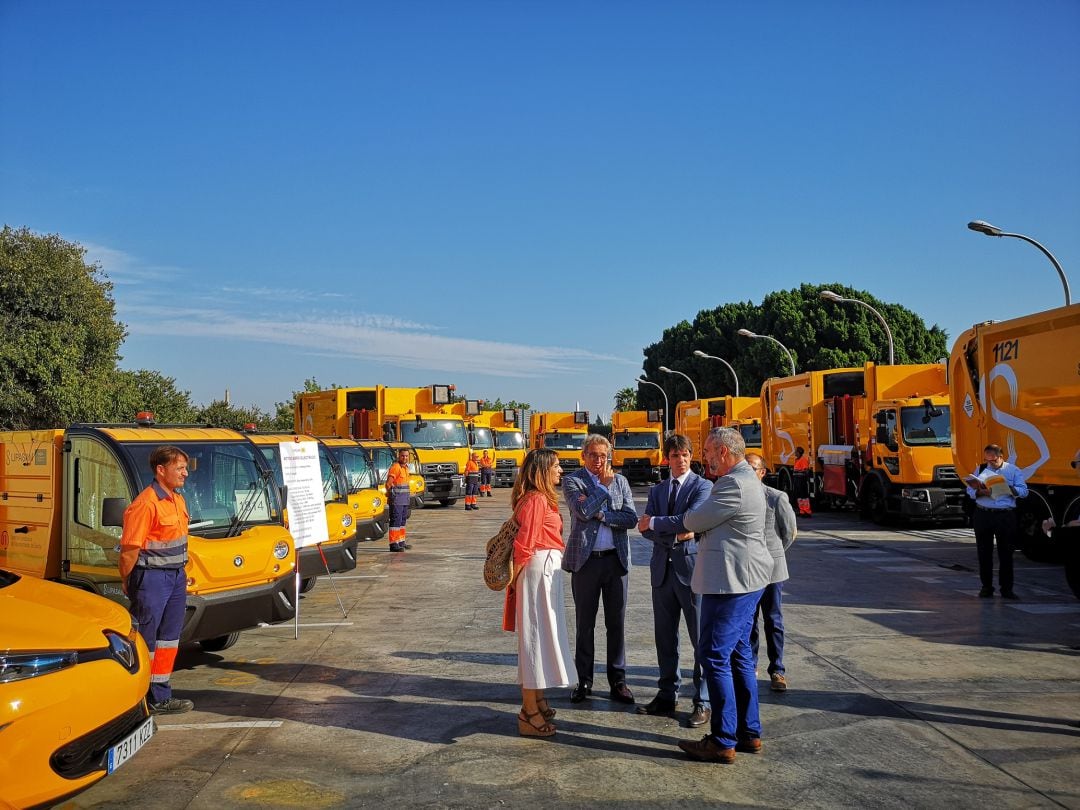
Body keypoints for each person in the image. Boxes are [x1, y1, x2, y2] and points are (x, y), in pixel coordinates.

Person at [665, 427, 772, 763]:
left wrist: (697, 522)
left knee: (713, 655)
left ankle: (723, 738)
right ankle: (748, 732)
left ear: (724, 452)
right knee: (739, 654)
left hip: (731, 583)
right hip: (741, 579)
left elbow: (694, 519)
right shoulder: (745, 480)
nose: (705, 457)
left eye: (709, 451)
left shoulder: (732, 483)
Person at [635, 434, 713, 727]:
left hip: (692, 572)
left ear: (690, 456)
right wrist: (673, 530)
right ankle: (667, 694)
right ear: (666, 458)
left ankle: (702, 701)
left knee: (700, 639)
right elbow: (645, 529)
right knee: (665, 639)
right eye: (674, 455)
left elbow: (691, 520)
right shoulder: (657, 490)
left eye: (684, 455)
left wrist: (657, 524)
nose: (679, 460)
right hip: (662, 572)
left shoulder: (703, 487)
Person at [561, 434, 639, 705]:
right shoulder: (573, 481)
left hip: (615, 561)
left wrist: (603, 514)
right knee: (585, 624)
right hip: (586, 562)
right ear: (584, 456)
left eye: (603, 455)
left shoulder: (622, 481)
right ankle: (584, 680)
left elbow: (630, 518)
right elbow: (581, 511)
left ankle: (618, 680)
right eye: (593, 455)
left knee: (616, 623)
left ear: (610, 456)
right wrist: (602, 490)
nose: (598, 460)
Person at [119, 445, 195, 715]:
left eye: (186, 468)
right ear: (161, 470)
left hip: (175, 578)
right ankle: (136, 697)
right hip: (151, 579)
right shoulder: (145, 503)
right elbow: (129, 550)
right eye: (180, 468)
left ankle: (159, 696)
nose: (185, 473)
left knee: (168, 640)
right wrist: (128, 580)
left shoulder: (177, 499)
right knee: (145, 640)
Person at [503, 449, 574, 737]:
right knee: (534, 638)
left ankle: (538, 699)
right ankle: (528, 711)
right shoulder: (535, 500)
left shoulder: (539, 499)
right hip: (536, 572)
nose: (561, 471)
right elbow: (523, 546)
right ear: (543, 470)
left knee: (541, 636)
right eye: (556, 466)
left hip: (544, 571)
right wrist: (515, 583)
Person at [745, 453, 797, 692]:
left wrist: (772, 555)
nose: (748, 472)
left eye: (753, 468)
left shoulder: (776, 498)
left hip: (772, 572)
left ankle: (777, 669)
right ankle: (750, 666)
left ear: (762, 472)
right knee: (749, 622)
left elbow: (789, 533)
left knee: (773, 620)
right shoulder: (740, 497)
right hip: (747, 572)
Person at [965, 443, 1028, 599]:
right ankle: (986, 587)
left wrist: (1008, 488)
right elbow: (969, 491)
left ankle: (1006, 589)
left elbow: (1024, 491)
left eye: (993, 460)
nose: (990, 463)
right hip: (983, 514)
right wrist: (979, 492)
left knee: (1006, 553)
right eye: (987, 460)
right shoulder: (980, 469)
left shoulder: (1012, 470)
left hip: (1004, 515)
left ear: (1001, 457)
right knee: (984, 552)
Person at [385, 448, 413, 551]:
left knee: (402, 521)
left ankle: (401, 542)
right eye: (402, 456)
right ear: (399, 456)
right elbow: (388, 484)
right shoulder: (396, 467)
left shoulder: (406, 468)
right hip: (397, 500)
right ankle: (393, 544)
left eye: (406, 456)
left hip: (404, 500)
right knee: (395, 522)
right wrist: (391, 496)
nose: (404, 458)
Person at [792, 446, 812, 517]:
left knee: (804, 496)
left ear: (799, 452)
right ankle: (802, 511)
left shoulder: (803, 460)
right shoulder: (797, 460)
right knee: (799, 496)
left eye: (796, 451)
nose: (795, 453)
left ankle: (807, 511)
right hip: (797, 481)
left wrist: (804, 480)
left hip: (802, 481)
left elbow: (806, 471)